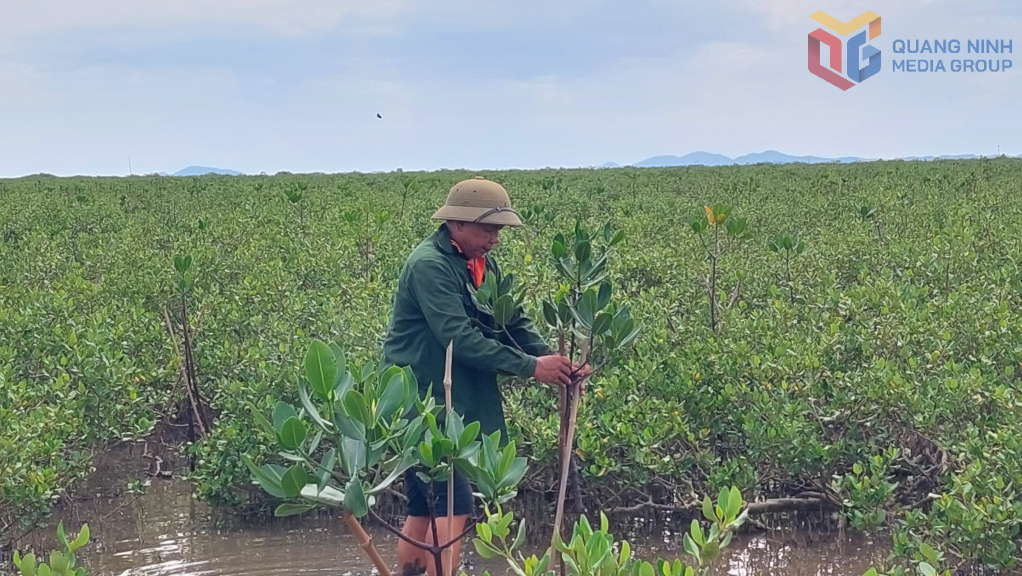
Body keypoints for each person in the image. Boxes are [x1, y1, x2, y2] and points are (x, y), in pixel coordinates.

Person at [380, 176, 583, 576]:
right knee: (452, 505)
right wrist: (530, 368)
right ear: (457, 224)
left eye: (499, 231)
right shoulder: (429, 265)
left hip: (450, 400)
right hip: (423, 403)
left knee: (426, 507)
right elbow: (459, 338)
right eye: (489, 229)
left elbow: (511, 320)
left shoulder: (480, 263)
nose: (496, 239)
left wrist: (553, 359)